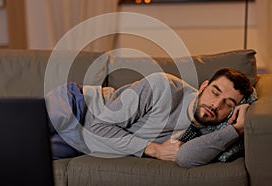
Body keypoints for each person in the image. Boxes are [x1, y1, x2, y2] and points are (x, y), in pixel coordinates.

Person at [46, 68, 254, 168]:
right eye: (215, 93)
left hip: (81, 141)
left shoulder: (212, 130)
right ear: (203, 87)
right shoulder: (163, 88)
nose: (215, 105)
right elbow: (98, 126)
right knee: (17, 133)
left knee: (23, 161)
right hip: (78, 105)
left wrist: (236, 129)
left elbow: (184, 158)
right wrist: (155, 149)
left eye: (228, 104)